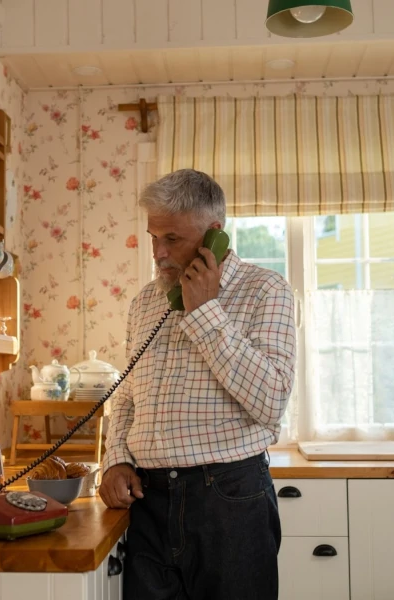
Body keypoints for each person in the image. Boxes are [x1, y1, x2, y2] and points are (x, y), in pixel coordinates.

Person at [99, 168, 296, 600]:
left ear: (214, 235)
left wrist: (205, 312)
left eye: (173, 239)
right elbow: (128, 397)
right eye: (154, 237)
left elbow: (271, 399)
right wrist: (115, 459)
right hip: (149, 502)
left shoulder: (266, 290)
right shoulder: (146, 302)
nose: (159, 253)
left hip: (229, 500)